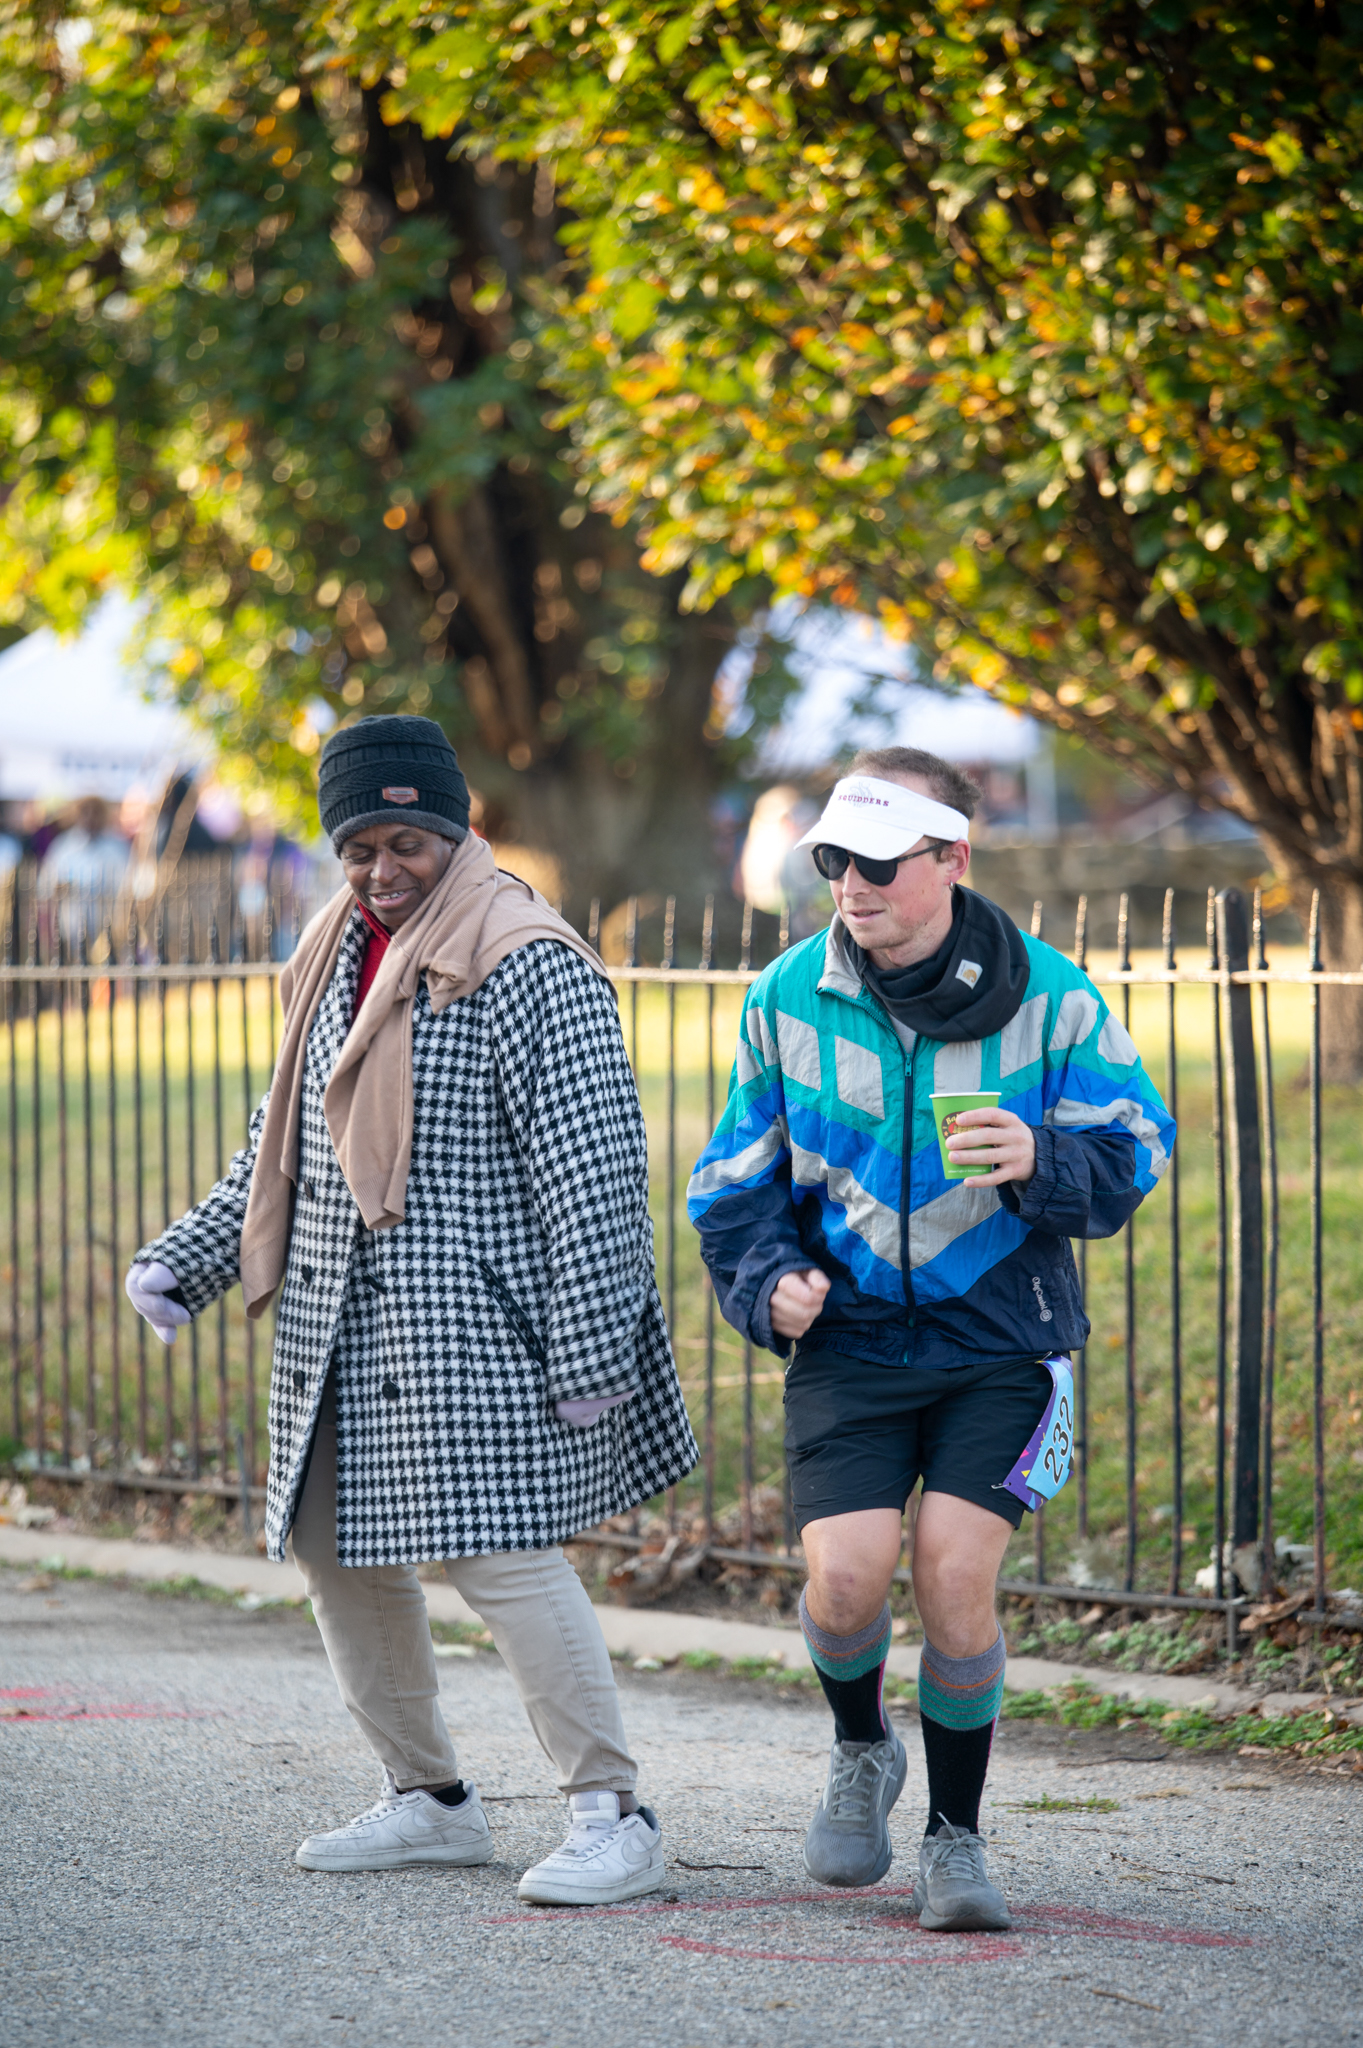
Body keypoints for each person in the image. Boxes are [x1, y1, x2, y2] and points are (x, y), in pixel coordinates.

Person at [125, 714, 697, 1904]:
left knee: (502, 1560)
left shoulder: (527, 956)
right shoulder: (336, 946)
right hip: (336, 1319)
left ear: (458, 829)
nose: (382, 869)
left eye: (408, 842)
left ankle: (612, 1815)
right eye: (358, 846)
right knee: (338, 1556)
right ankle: (427, 1798)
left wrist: (593, 1350)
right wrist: (189, 1258)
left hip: (473, 1320)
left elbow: (594, 1175)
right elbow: (279, 1148)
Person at [688, 746, 1174, 1930]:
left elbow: (1140, 1149)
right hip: (849, 1345)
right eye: (833, 861)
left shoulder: (1054, 995)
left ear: (951, 858)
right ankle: (863, 1748)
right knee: (845, 1584)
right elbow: (729, 1183)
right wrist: (769, 1281)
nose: (849, 884)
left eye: (877, 862)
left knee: (956, 1580)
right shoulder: (784, 997)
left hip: (1002, 1342)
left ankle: (955, 1840)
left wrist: (1040, 1161)